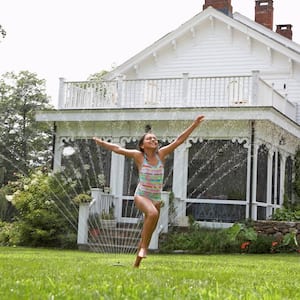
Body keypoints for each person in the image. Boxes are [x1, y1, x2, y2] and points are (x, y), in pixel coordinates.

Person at [93, 114, 205, 267]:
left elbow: (179, 140)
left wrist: (194, 124)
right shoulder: (139, 156)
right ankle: (144, 248)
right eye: (149, 139)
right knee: (152, 214)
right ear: (142, 145)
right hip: (142, 195)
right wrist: (101, 143)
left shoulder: (161, 154)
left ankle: (136, 265)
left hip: (156, 198)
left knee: (148, 232)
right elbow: (117, 149)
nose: (153, 140)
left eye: (155, 138)